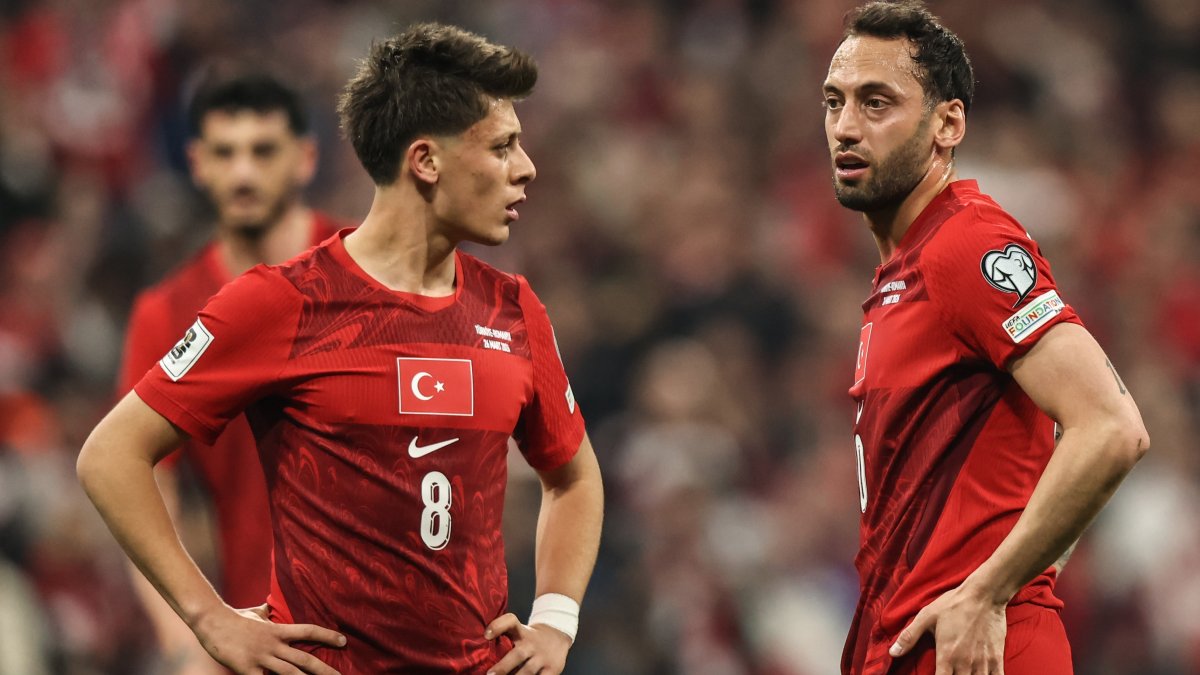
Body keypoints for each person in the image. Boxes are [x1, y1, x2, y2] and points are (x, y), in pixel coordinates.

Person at [79, 22, 603, 675]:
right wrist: (207, 619)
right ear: (426, 161)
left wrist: (556, 620)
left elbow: (574, 474)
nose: (526, 168)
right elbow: (110, 455)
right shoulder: (282, 303)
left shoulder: (513, 308)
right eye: (502, 146)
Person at [822, 2, 1149, 674]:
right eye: (835, 102)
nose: (846, 127)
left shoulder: (963, 243)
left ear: (949, 123)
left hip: (975, 652)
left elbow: (1111, 427)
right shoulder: (901, 273)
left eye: (876, 103)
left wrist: (992, 589)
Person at [118, 71, 346, 674]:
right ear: (196, 163)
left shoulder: (365, 281)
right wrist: (188, 637)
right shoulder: (168, 313)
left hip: (390, 634)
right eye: (225, 152)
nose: (243, 173)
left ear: (305, 158)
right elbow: (144, 483)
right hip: (263, 642)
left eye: (263, 151)